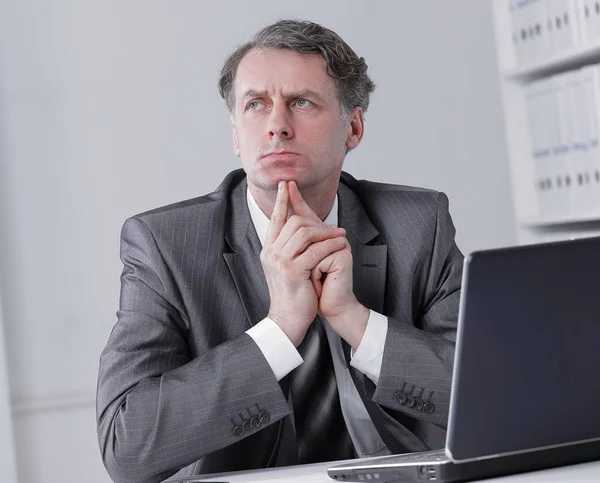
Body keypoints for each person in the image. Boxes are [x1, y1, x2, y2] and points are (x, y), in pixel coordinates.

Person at [96, 19, 463, 483]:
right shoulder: (165, 245)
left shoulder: (418, 223)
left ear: (353, 127)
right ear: (235, 136)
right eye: (255, 105)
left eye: (301, 102)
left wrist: (355, 319)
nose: (276, 126)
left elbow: (490, 398)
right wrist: (280, 328)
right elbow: (126, 449)